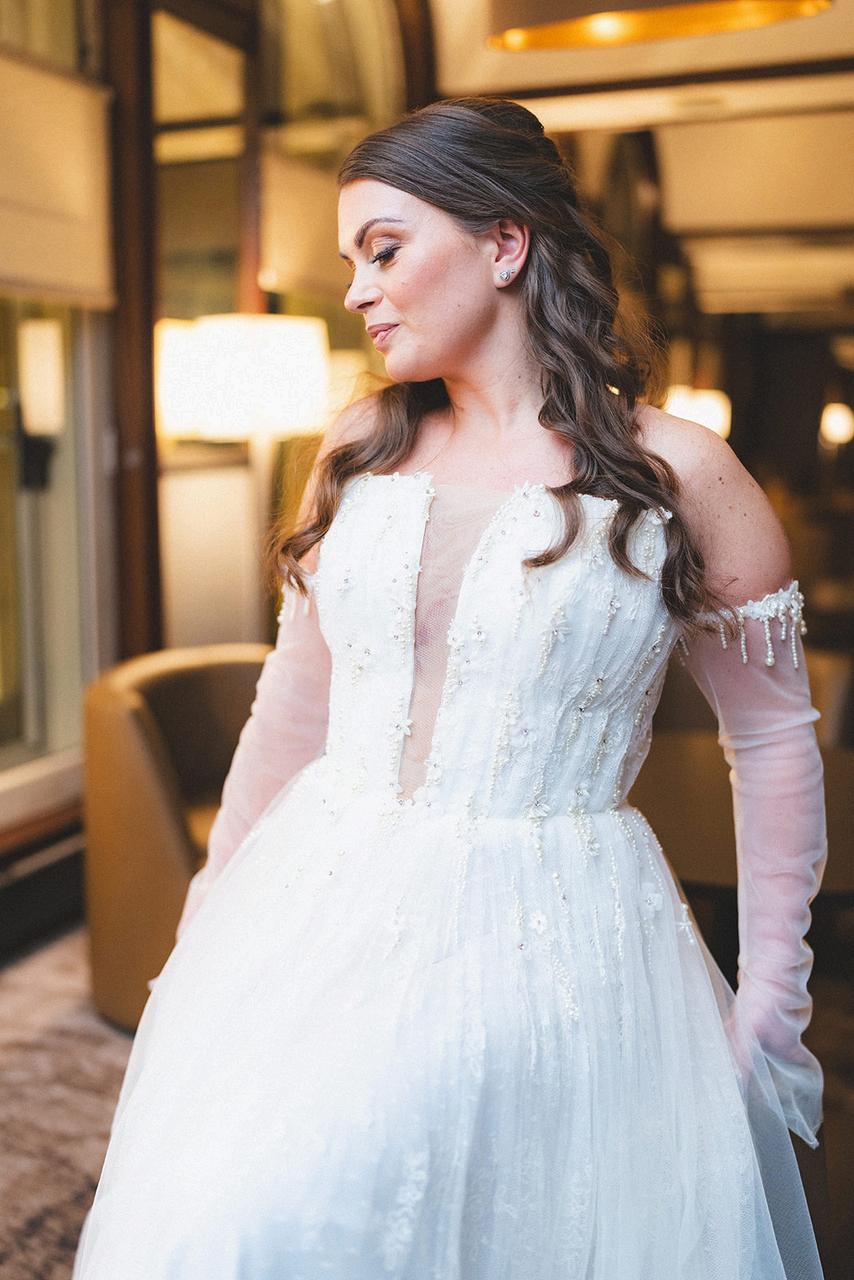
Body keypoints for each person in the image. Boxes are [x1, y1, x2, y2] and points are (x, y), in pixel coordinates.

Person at [73, 96, 828, 1278]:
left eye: (384, 249)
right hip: (318, 900)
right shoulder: (357, 446)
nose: (357, 291)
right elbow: (293, 706)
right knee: (239, 1226)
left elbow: (772, 740)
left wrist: (769, 1002)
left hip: (560, 932)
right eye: (350, 262)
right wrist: (206, 921)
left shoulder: (679, 472)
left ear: (503, 243)